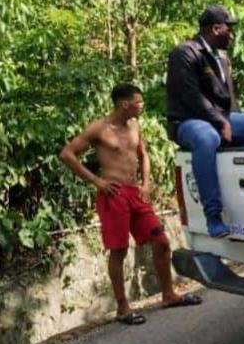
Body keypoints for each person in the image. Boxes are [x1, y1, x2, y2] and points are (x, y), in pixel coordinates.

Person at [59, 83, 202, 326]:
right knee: (119, 250)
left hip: (135, 192)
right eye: (138, 101)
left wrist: (145, 184)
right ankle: (123, 308)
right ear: (124, 103)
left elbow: (143, 155)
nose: (142, 105)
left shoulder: (134, 126)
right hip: (113, 194)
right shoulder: (99, 128)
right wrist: (96, 181)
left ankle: (168, 295)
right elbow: (67, 154)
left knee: (161, 241)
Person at [165, 5, 244, 238]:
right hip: (188, 120)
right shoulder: (185, 53)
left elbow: (228, 101)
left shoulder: (220, 58)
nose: (232, 34)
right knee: (208, 137)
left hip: (219, 117)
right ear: (216, 28)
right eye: (229, 29)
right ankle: (213, 215)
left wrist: (232, 122)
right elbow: (191, 96)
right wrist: (221, 122)